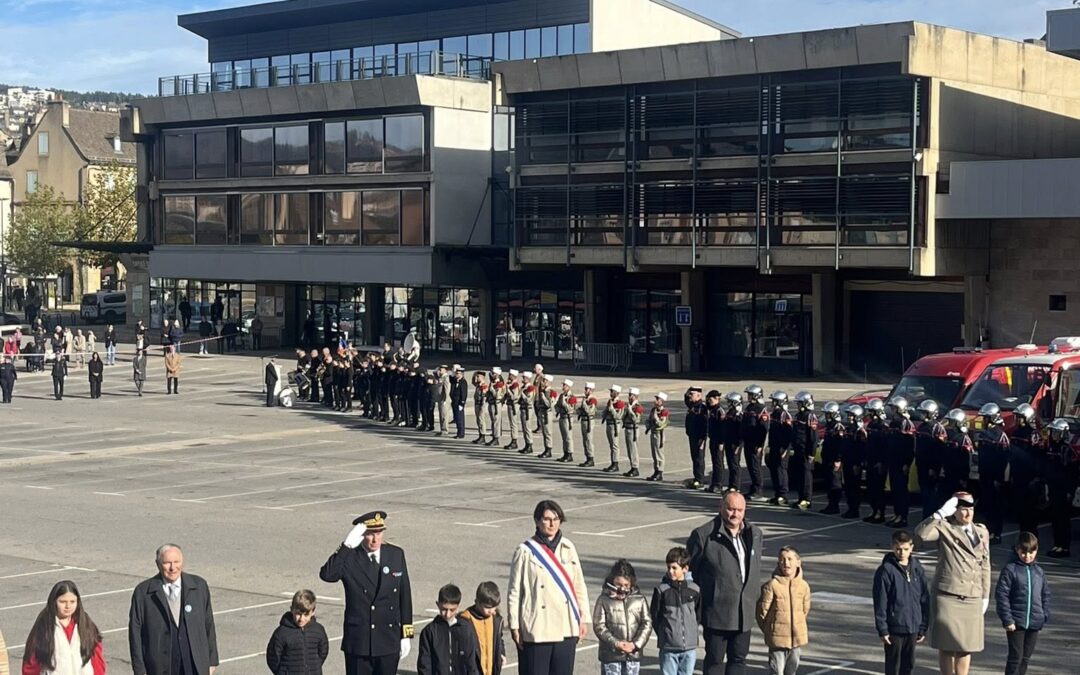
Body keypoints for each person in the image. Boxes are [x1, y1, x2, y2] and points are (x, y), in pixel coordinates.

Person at [319, 511, 414, 675]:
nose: (376, 539)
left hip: (388, 639)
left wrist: (406, 634)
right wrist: (345, 547)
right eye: (370, 533)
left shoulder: (395, 555)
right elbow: (327, 575)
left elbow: (404, 595)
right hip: (360, 642)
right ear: (362, 534)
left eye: (379, 532)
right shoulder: (350, 557)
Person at [507, 500, 590, 675]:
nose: (552, 523)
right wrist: (514, 625)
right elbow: (515, 591)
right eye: (547, 519)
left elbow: (579, 585)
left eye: (556, 518)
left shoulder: (568, 547)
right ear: (537, 521)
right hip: (537, 626)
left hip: (566, 626)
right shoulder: (525, 551)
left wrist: (583, 618)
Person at [913, 492, 990, 675]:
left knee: (966, 646)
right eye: (963, 509)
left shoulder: (981, 531)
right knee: (947, 646)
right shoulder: (944, 527)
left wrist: (985, 594)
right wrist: (939, 514)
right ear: (954, 511)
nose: (968, 514)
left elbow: (985, 565)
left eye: (970, 509)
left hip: (972, 595)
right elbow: (919, 536)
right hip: (948, 595)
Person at [687, 492, 763, 675]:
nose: (735, 514)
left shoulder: (755, 534)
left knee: (739, 659)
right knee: (715, 661)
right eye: (730, 509)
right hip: (716, 614)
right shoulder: (703, 535)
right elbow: (691, 574)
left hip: (744, 613)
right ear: (720, 507)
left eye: (739, 510)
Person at [128, 543, 219, 675]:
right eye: (167, 563)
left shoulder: (199, 586)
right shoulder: (143, 592)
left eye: (177, 562)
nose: (173, 568)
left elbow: (208, 624)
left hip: (194, 663)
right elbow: (135, 633)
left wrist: (212, 661)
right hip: (160, 665)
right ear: (157, 564)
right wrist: (139, 669)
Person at [873, 530, 930, 675]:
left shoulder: (917, 569)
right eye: (898, 548)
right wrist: (883, 629)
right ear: (892, 547)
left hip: (913, 626)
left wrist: (923, 625)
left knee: (909, 664)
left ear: (912, 548)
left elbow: (924, 598)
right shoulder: (886, 570)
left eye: (905, 549)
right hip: (894, 626)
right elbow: (880, 601)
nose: (902, 552)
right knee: (893, 665)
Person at [21, 580, 105, 675]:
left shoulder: (85, 624)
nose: (68, 606)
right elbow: (32, 662)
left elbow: (97, 658)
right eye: (63, 602)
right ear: (54, 602)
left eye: (72, 601)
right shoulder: (44, 626)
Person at [995, 532, 1050, 675]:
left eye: (1031, 552)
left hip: (1034, 621)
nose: (1027, 556)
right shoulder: (1010, 569)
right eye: (1024, 552)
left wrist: (1044, 615)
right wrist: (1007, 619)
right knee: (1015, 658)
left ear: (1036, 550)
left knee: (1025, 658)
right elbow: (1002, 595)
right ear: (1017, 549)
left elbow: (1045, 595)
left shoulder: (1039, 571)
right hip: (1016, 622)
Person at [756, 546, 810, 675]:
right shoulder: (772, 585)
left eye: (790, 559)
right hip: (777, 640)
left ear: (798, 562)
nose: (786, 563)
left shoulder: (803, 586)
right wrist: (772, 630)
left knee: (791, 671)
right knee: (777, 671)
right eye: (782, 560)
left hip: (796, 638)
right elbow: (761, 613)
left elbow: (805, 610)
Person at [593, 559, 652, 675]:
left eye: (626, 585)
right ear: (612, 581)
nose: (622, 589)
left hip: (633, 653)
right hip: (611, 654)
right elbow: (599, 626)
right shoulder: (604, 599)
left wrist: (636, 644)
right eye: (618, 585)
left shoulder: (639, 599)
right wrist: (616, 643)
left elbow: (647, 623)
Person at [417, 584, 480, 675]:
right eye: (444, 609)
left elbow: (471, 663)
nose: (448, 614)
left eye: (452, 610)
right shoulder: (429, 632)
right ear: (438, 605)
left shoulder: (466, 629)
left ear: (458, 607)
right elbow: (424, 664)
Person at [266, 590, 330, 675]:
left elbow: (323, 652)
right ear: (292, 610)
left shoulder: (318, 631)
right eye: (298, 614)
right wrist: (283, 672)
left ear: (313, 611)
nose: (301, 619)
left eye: (306, 615)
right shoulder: (282, 633)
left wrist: (315, 666)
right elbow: (273, 657)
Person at [975, 403, 1010, 544]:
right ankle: (988, 531)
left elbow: (1003, 459)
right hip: (984, 475)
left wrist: (999, 478)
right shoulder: (983, 434)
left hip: (995, 477)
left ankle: (996, 533)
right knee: (987, 505)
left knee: (996, 506)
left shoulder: (1001, 437)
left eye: (986, 418)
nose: (983, 421)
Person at [1045, 418, 1078, 557]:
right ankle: (1057, 544)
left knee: (1063, 519)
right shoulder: (1051, 448)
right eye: (1053, 432)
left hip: (1064, 490)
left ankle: (1064, 547)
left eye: (1057, 432)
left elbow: (1073, 473)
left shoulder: (1067, 450)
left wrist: (1070, 491)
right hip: (1053, 487)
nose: (1053, 435)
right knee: (1054, 517)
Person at [459, 582, 507, 675]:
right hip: (473, 669)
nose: (492, 611)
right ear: (477, 602)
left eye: (494, 607)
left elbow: (499, 639)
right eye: (488, 607)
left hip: (491, 669)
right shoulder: (466, 620)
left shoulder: (496, 619)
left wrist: (501, 653)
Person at [885, 396, 916, 528]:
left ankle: (903, 517)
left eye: (894, 408)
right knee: (895, 489)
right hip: (893, 461)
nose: (892, 410)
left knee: (901, 490)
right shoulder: (893, 423)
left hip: (901, 462)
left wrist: (906, 463)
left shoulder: (906, 423)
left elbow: (909, 446)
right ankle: (897, 514)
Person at [739, 385, 768, 500]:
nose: (748, 397)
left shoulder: (761, 409)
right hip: (748, 442)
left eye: (750, 394)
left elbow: (763, 430)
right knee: (750, 466)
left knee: (756, 467)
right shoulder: (749, 408)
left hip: (756, 444)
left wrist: (760, 445)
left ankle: (758, 490)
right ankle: (753, 488)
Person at [765, 392, 792, 506]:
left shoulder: (785, 415)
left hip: (781, 448)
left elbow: (788, 434)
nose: (773, 403)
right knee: (774, 470)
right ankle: (777, 494)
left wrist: (785, 448)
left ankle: (783, 495)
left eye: (775, 401)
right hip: (774, 447)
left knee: (781, 471)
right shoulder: (774, 414)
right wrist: (770, 446)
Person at [684, 387, 708, 490]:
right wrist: (688, 391)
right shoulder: (692, 406)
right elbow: (685, 399)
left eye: (692, 394)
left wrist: (703, 438)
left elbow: (705, 424)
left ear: (699, 395)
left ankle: (700, 480)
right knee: (694, 458)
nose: (690, 396)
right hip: (692, 435)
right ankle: (696, 478)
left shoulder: (702, 408)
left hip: (699, 437)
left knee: (699, 458)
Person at [646, 392, 671, 482]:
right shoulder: (654, 410)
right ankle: (656, 470)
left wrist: (656, 417)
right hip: (653, 432)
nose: (655, 401)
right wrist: (648, 425)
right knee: (654, 453)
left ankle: (660, 471)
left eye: (657, 399)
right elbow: (648, 420)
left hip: (659, 434)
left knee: (659, 453)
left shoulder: (664, 412)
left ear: (662, 401)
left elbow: (660, 423)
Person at [601, 385, 625, 473]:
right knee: (611, 445)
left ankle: (615, 463)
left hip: (615, 425)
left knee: (615, 445)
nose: (610, 393)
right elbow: (604, 413)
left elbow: (617, 416)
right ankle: (612, 462)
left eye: (612, 391)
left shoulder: (620, 403)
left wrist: (611, 408)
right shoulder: (610, 402)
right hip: (609, 424)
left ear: (617, 393)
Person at [621, 388, 644, 478]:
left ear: (636, 397)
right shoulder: (629, 406)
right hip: (627, 428)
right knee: (629, 449)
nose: (629, 397)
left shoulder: (637, 407)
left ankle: (635, 467)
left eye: (632, 395)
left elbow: (636, 419)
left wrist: (630, 410)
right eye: (629, 395)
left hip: (633, 429)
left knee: (633, 449)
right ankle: (632, 466)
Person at [575, 382, 597, 467]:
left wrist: (584, 404)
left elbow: (589, 411)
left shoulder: (592, 400)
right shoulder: (586, 399)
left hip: (589, 421)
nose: (585, 391)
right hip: (583, 420)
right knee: (585, 440)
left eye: (587, 389)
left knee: (588, 440)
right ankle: (587, 457)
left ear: (591, 390)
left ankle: (591, 458)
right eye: (585, 389)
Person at [554, 379, 576, 463]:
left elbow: (570, 409)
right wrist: (558, 409)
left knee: (568, 437)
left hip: (568, 418)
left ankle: (570, 453)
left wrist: (564, 404)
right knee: (564, 437)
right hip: (562, 416)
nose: (563, 387)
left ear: (569, 387)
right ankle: (565, 453)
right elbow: (556, 406)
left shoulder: (572, 397)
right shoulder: (562, 396)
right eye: (563, 385)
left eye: (565, 385)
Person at [517, 373, 536, 455]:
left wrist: (522, 394)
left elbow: (528, 400)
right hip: (523, 408)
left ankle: (529, 445)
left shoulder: (530, 388)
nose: (523, 379)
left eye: (524, 377)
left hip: (527, 409)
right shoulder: (523, 387)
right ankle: (526, 444)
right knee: (524, 428)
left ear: (528, 378)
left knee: (527, 428)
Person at [450, 365, 468, 439]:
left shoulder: (463, 382)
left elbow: (464, 393)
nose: (456, 375)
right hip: (454, 401)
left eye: (458, 374)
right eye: (456, 373)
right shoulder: (455, 381)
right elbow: (450, 378)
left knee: (460, 418)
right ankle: (458, 432)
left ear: (462, 374)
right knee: (457, 418)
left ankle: (461, 433)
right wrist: (453, 372)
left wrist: (462, 403)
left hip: (459, 402)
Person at [435, 365, 451, 437]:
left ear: (445, 370)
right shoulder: (441, 377)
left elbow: (447, 389)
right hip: (440, 398)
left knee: (444, 415)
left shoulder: (446, 378)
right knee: (441, 414)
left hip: (444, 399)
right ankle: (442, 429)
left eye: (441, 369)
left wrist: (445, 399)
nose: (439, 371)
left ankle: (445, 430)